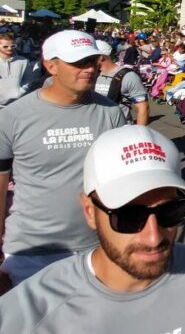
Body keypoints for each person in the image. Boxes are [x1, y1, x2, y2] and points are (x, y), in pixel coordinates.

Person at [0, 125, 185, 332]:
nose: (153, 236)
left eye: (170, 211)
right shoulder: (29, 314)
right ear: (89, 212)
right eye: (128, 216)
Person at [0, 30, 126, 289]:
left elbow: (119, 181)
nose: (89, 69)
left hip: (94, 247)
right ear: (51, 66)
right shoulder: (14, 116)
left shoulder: (112, 113)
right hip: (29, 251)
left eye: (92, 61)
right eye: (78, 62)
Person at [94, 40, 149, 125]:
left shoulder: (128, 76)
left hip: (121, 130)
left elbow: (143, 107)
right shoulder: (90, 75)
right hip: (97, 128)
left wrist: (140, 133)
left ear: (101, 57)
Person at [0, 32, 38, 108]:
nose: (10, 48)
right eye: (5, 46)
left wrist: (21, 92)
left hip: (16, 103)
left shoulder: (23, 61)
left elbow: (28, 79)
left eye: (13, 46)